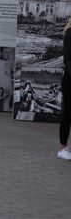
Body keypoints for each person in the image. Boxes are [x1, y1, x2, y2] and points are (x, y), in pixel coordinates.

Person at [58, 18, 71, 160]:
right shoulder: (70, 34)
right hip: (69, 80)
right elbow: (67, 59)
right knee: (68, 113)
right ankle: (62, 148)